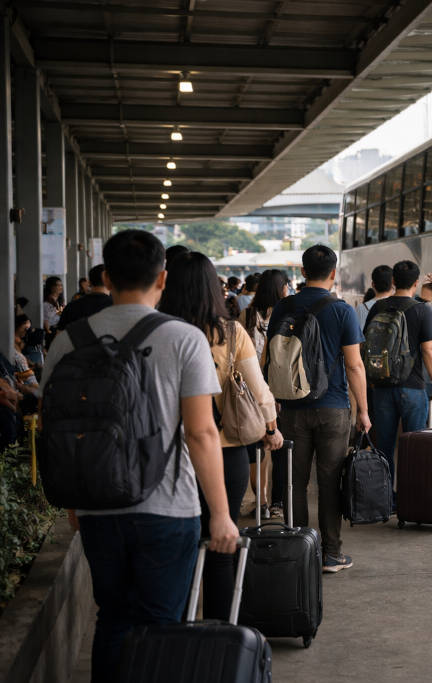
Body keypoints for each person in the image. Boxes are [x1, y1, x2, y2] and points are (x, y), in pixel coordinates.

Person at [40, 229, 238, 683]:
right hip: (168, 510)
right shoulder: (184, 338)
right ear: (162, 278)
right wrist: (222, 514)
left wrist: (75, 504)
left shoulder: (68, 341)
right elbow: (202, 432)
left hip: (97, 506)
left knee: (112, 617)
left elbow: (58, 429)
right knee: (161, 624)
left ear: (106, 277)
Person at [159, 252, 281, 619]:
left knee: (174, 550)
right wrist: (271, 427)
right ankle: (218, 637)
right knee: (220, 544)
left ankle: (173, 633)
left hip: (167, 455)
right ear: (214, 287)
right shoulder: (230, 331)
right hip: (224, 452)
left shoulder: (158, 331)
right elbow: (258, 390)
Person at [266, 245, 371, 573]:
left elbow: (272, 357)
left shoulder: (283, 307)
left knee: (294, 481)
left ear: (302, 271)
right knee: (329, 480)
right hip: (333, 408)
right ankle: (331, 553)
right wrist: (364, 412)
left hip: (291, 407)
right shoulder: (342, 310)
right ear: (334, 274)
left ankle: (300, 550)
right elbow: (354, 366)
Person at [364, 260, 432, 498]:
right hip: (412, 387)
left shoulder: (378, 307)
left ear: (392, 281)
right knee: (414, 447)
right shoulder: (421, 310)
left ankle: (387, 499)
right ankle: (412, 499)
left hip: (381, 387)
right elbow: (429, 350)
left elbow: (366, 345)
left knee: (385, 446)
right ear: (416, 283)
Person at [242, 268, 290, 518]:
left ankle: (261, 501)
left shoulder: (246, 314)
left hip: (250, 390)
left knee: (256, 449)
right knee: (278, 447)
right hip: (277, 388)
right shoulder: (287, 314)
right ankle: (276, 503)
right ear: (280, 288)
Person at [57, 265, 113, 331]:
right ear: (109, 281)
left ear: (89, 282)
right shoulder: (116, 307)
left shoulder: (71, 307)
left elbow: (59, 336)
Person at [356, 264, 394, 330]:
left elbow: (358, 335)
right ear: (392, 284)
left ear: (373, 284)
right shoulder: (397, 307)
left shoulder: (361, 308)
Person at [42, 276, 64, 343]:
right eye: (58, 285)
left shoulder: (59, 301)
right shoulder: (46, 302)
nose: (60, 287)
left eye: (61, 285)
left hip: (59, 330)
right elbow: (48, 318)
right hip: (51, 331)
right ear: (51, 287)